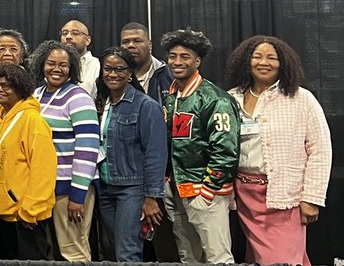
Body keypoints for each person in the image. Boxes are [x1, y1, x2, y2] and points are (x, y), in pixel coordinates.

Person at [225, 36, 330, 265]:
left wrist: (312, 198)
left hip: (284, 197)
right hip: (245, 195)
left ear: (283, 63)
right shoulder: (231, 98)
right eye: (257, 57)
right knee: (258, 258)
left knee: (282, 259)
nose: (264, 62)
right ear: (247, 61)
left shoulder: (302, 99)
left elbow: (320, 151)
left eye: (271, 58)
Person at [158, 28, 239, 264]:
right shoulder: (171, 95)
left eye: (185, 57)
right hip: (175, 189)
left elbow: (226, 150)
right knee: (188, 257)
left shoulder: (216, 99)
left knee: (218, 258)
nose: (177, 61)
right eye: (173, 56)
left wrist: (208, 190)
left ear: (197, 60)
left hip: (205, 192)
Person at [92, 47, 168, 262]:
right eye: (108, 69)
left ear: (129, 73)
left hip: (132, 189)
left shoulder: (146, 106)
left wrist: (151, 197)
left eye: (119, 69)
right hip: (105, 187)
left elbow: (156, 154)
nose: (113, 74)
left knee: (127, 251)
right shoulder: (101, 103)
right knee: (117, 247)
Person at [27, 40, 100, 261]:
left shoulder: (78, 97)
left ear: (72, 68)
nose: (57, 69)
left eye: (63, 65)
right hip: (43, 188)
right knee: (49, 249)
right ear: (42, 65)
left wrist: (77, 195)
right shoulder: (36, 95)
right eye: (51, 63)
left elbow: (88, 149)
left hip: (69, 188)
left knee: (73, 251)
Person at [0, 65, 58, 260]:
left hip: (25, 218)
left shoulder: (33, 121)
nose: (0, 89)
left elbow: (44, 171)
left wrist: (30, 211)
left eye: (7, 86)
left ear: (21, 88)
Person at [120, 22, 174, 103]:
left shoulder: (169, 75)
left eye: (137, 41)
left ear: (150, 45)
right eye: (125, 42)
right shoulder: (113, 76)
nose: (131, 45)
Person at [60, 20, 100, 96]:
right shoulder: (54, 66)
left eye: (75, 33)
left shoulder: (98, 65)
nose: (68, 37)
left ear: (88, 40)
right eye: (64, 33)